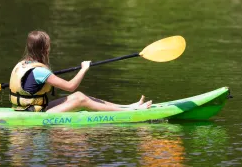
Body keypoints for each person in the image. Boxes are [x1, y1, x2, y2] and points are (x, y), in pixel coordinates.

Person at [9, 30, 152, 113]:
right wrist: (84, 69)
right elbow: (71, 86)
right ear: (44, 49)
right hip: (34, 114)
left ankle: (127, 106)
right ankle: (127, 112)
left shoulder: (22, 65)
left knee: (78, 96)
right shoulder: (40, 71)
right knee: (80, 99)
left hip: (26, 109)